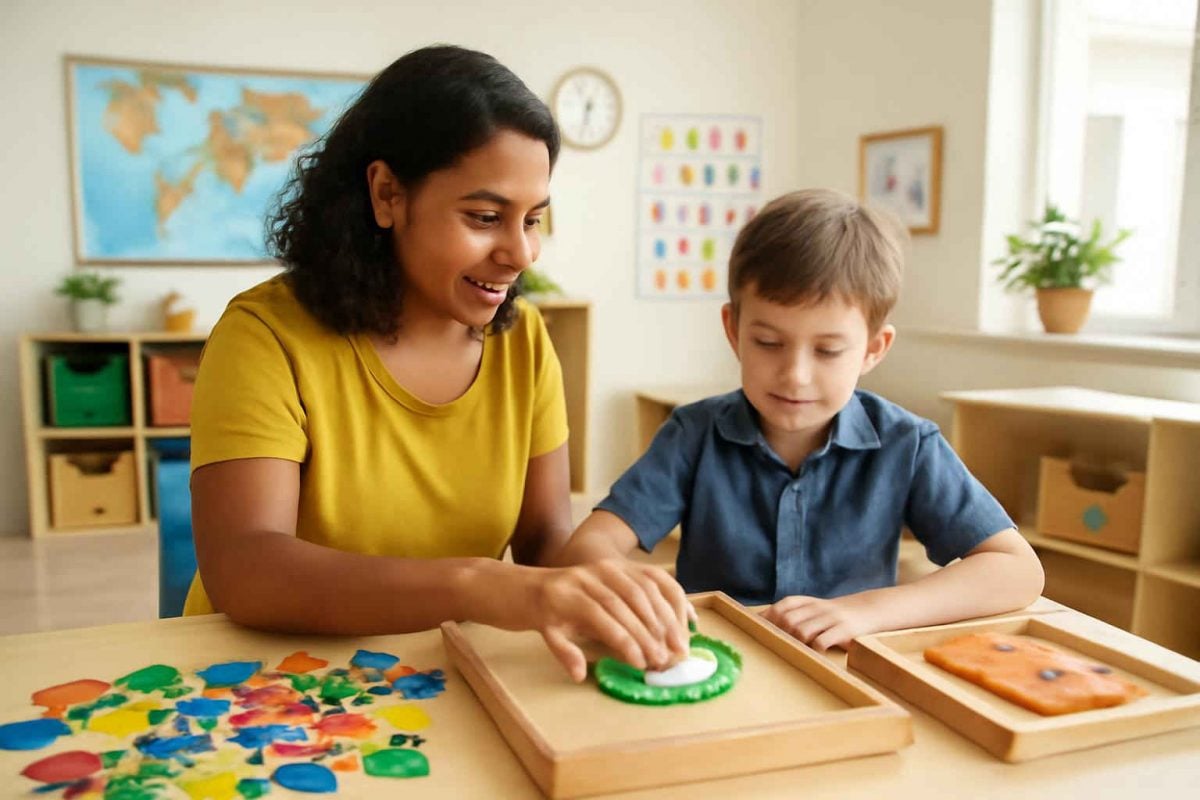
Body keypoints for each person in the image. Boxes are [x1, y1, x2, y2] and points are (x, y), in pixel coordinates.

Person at [183, 45, 690, 682]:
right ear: (388, 193)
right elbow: (247, 571)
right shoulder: (264, 337)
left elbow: (540, 547)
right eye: (485, 217)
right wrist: (479, 584)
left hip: (429, 674)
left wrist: (609, 589)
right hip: (259, 679)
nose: (520, 252)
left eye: (532, 219)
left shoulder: (525, 341)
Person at [555, 188, 1045, 651]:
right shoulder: (693, 434)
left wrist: (868, 611)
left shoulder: (907, 444)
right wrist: (636, 589)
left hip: (846, 666)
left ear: (874, 349)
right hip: (717, 661)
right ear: (734, 330)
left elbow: (1017, 570)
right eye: (768, 343)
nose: (795, 376)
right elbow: (589, 545)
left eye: (829, 350)